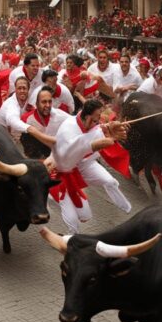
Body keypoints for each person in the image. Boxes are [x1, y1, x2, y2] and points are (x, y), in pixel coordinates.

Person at [52, 99, 131, 233]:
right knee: (75, 220)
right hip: (64, 174)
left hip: (84, 164)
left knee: (110, 181)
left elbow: (99, 129)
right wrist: (107, 136)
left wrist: (109, 127)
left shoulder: (90, 122)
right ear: (87, 118)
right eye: (96, 120)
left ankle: (127, 209)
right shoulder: (68, 130)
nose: (98, 122)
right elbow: (83, 144)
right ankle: (72, 238)